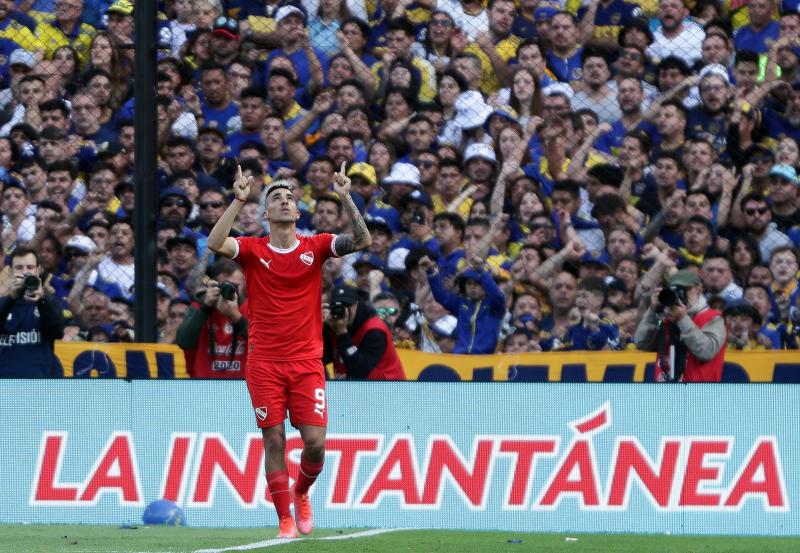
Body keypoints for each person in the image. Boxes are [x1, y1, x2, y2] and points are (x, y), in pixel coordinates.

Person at [207, 163, 371, 539]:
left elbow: (361, 241)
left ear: (298, 212)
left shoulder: (316, 247)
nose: (284, 201)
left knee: (315, 445)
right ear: (265, 214)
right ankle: (285, 520)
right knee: (274, 439)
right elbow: (216, 243)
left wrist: (346, 197)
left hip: (307, 362)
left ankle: (301, 492)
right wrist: (237, 201)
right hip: (264, 362)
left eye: (289, 198)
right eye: (276, 198)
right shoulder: (252, 249)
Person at [634, 270, 727, 382]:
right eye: (675, 290)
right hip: (666, 389)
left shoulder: (713, 318)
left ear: (698, 289)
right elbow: (642, 343)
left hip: (699, 391)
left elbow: (706, 351)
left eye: (684, 289)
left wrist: (682, 320)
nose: (679, 294)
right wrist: (653, 311)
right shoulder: (663, 319)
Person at [175, 258, 249, 378]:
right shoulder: (199, 306)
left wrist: (236, 317)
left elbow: (264, 344)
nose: (231, 290)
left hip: (243, 384)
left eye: (235, 286)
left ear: (244, 284)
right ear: (213, 285)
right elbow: (183, 342)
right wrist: (205, 307)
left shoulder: (252, 308)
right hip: (205, 383)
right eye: (225, 285)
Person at [0, 247, 65, 377]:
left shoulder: (50, 302)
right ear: (11, 271)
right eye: (19, 268)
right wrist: (11, 298)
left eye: (30, 267)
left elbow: (57, 332)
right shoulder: (3, 303)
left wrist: (42, 300)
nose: (25, 272)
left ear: (37, 270)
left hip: (38, 382)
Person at [322, 285, 406, 380]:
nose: (345, 312)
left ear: (356, 305)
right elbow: (320, 358)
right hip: (349, 384)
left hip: (386, 386)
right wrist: (319, 328)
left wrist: (342, 333)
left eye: (348, 306)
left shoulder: (375, 329)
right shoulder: (333, 323)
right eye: (339, 307)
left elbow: (360, 372)